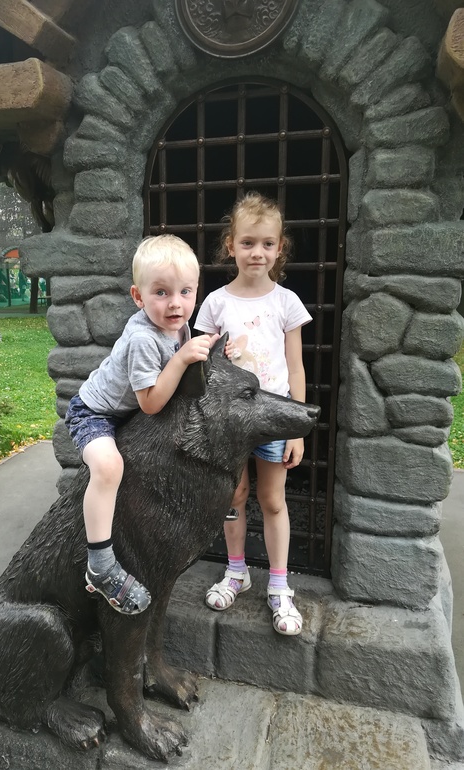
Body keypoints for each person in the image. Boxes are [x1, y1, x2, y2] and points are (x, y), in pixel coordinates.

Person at [65, 235, 216, 615]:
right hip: (94, 413)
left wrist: (208, 351)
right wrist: (182, 359)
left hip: (126, 412)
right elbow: (151, 403)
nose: (175, 303)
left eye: (185, 291)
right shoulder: (143, 339)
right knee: (109, 467)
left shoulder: (177, 325)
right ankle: (100, 565)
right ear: (138, 296)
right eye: (161, 293)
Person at [195, 192, 312, 635]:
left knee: (272, 499)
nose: (257, 252)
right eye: (247, 242)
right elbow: (202, 365)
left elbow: (296, 367)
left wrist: (297, 429)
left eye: (267, 243)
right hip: (229, 421)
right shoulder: (215, 303)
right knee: (234, 495)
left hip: (273, 419)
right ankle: (236, 571)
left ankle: (279, 586)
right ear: (231, 245)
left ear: (280, 248)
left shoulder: (286, 302)